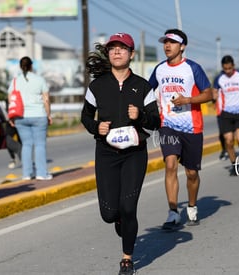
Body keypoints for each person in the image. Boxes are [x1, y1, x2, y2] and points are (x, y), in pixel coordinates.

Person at [81, 33, 160, 275]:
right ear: (108, 53)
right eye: (113, 48)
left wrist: (141, 116)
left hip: (134, 153)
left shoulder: (143, 86)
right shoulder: (97, 86)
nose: (117, 52)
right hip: (106, 153)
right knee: (109, 213)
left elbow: (156, 121)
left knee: (128, 207)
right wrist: (97, 127)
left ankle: (127, 258)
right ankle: (118, 221)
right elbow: (85, 116)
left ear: (131, 54)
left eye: (122, 48)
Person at [148, 29, 212, 229]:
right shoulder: (159, 69)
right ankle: (173, 212)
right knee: (170, 164)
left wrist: (188, 100)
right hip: (167, 125)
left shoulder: (192, 68)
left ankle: (192, 206)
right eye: (165, 42)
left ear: (182, 46)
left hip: (191, 126)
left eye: (172, 42)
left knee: (191, 172)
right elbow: (147, 91)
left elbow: (209, 93)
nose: (167, 46)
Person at [7, 56, 53, 180]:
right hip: (39, 115)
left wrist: (10, 116)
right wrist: (48, 114)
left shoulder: (15, 81)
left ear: (20, 67)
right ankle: (41, 173)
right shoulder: (40, 80)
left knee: (26, 145)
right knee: (39, 145)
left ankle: (27, 174)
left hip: (20, 116)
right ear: (31, 66)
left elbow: (10, 98)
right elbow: (46, 99)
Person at [213, 55, 239, 176]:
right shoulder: (219, 78)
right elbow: (214, 92)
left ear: (233, 66)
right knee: (229, 141)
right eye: (225, 69)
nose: (228, 71)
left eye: (230, 68)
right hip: (225, 114)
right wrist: (214, 97)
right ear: (222, 68)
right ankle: (235, 165)